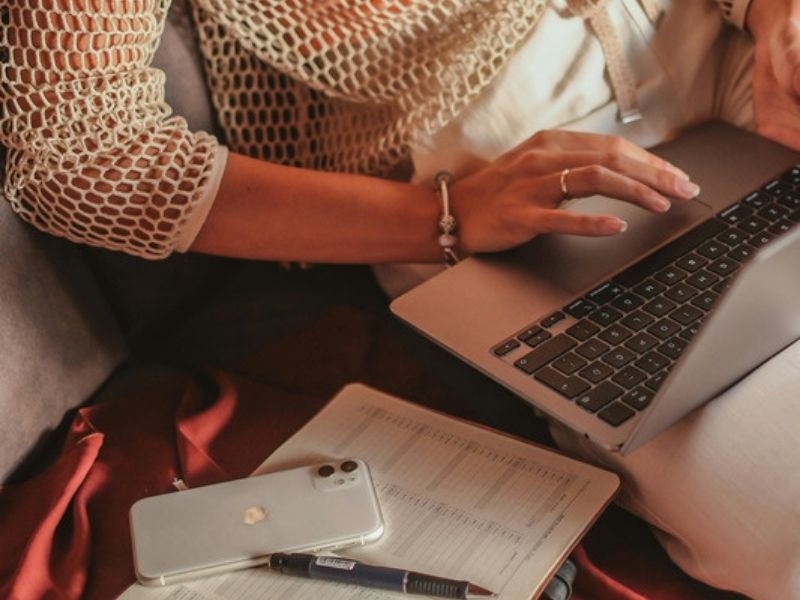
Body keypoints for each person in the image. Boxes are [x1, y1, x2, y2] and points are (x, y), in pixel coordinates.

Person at [1, 0, 799, 597]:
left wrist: (772, 13)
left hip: (735, 59)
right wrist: (443, 216)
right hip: (523, 197)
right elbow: (77, 149)